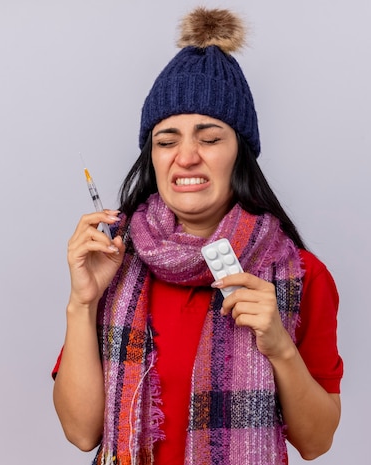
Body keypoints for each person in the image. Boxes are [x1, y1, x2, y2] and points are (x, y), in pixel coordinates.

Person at [52, 7, 343, 464]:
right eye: (167, 140)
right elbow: (81, 432)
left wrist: (280, 348)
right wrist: (82, 301)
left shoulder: (301, 275)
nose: (185, 157)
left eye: (209, 138)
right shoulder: (112, 259)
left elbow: (316, 441)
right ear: (152, 157)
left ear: (239, 154)